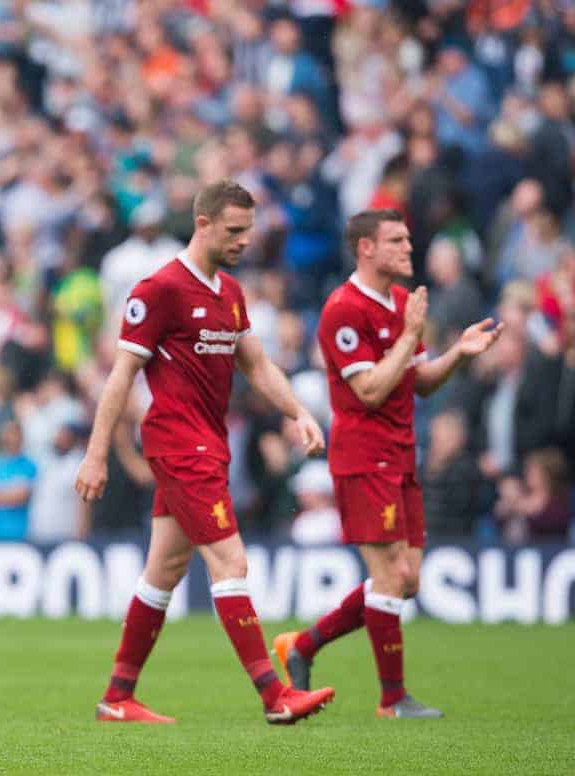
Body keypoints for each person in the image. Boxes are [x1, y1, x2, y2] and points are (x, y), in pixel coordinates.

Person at [75, 180, 335, 725]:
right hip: (177, 441)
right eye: (235, 231)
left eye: (249, 231)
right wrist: (96, 454)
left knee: (164, 569)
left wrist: (299, 413)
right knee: (230, 561)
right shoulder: (159, 289)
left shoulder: (230, 293)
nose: (244, 241)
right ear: (204, 224)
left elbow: (258, 365)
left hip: (208, 441)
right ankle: (275, 696)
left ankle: (118, 697)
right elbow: (120, 376)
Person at [273, 209, 503, 719]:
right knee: (389, 575)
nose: (408, 248)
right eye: (396, 240)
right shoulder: (341, 310)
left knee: (406, 581)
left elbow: (419, 381)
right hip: (362, 456)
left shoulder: (401, 303)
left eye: (408, 238)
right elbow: (371, 390)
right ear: (366, 249)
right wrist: (408, 336)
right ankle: (392, 698)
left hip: (401, 454)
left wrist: (460, 353)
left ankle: (304, 646)